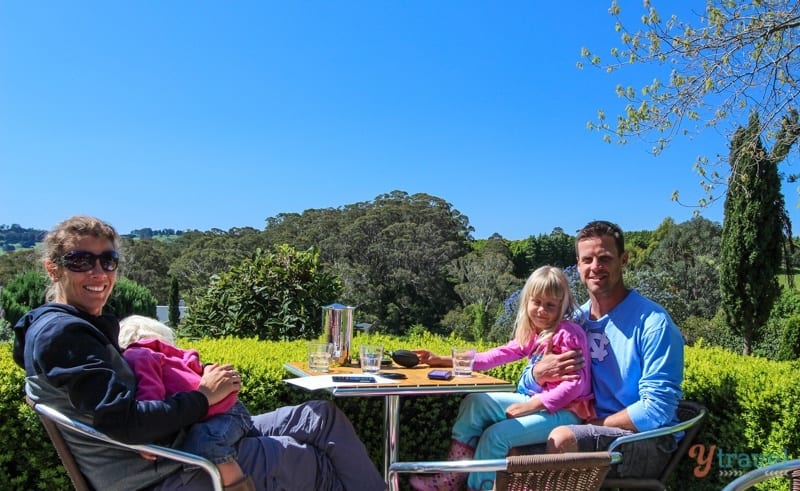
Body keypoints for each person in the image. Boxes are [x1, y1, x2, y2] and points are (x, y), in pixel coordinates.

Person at [12, 215, 386, 491]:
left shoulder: (64, 328)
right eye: (81, 261)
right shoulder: (63, 334)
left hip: (184, 441)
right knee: (309, 461)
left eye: (107, 261)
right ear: (53, 269)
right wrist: (204, 395)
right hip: (173, 469)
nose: (98, 272)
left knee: (319, 416)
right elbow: (125, 424)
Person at [409, 265, 595, 491]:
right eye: (536, 302)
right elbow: (496, 355)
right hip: (540, 404)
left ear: (561, 306)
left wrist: (531, 406)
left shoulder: (568, 333)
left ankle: (479, 488)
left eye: (550, 305)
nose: (541, 310)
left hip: (566, 412)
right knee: (475, 403)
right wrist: (444, 360)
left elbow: (576, 384)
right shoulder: (535, 334)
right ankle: (453, 475)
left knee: (495, 436)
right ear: (527, 301)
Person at [539, 220, 684, 479]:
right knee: (512, 437)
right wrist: (538, 373)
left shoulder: (653, 323)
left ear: (624, 260)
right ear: (578, 264)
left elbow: (657, 408)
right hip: (588, 427)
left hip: (648, 439)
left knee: (562, 440)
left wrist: (595, 424)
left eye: (604, 258)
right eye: (588, 260)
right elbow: (531, 375)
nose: (596, 267)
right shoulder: (575, 322)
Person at [118, 314, 254, 490]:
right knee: (201, 439)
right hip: (230, 410)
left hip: (224, 413)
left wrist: (148, 435)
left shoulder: (138, 355)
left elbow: (150, 393)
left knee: (205, 442)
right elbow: (196, 363)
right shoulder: (168, 354)